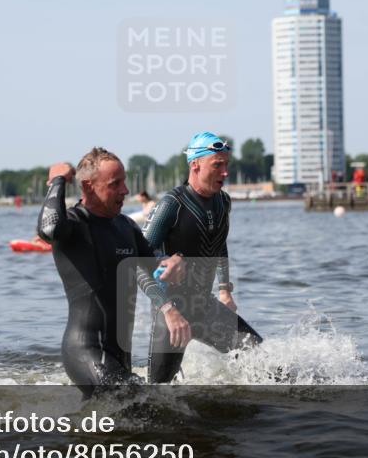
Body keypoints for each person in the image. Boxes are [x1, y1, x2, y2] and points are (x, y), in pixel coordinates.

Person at [36, 147, 188, 399]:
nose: (125, 191)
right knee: (143, 404)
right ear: (88, 187)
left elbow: (153, 269)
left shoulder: (126, 226)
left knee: (127, 420)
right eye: (115, 184)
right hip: (85, 351)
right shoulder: (73, 225)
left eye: (124, 182)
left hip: (120, 356)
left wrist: (174, 262)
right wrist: (58, 181)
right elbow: (49, 229)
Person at [139, 132, 263, 383]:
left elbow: (219, 244)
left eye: (227, 164)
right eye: (218, 165)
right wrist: (167, 306)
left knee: (260, 358)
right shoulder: (172, 204)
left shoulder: (223, 202)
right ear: (195, 164)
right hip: (171, 312)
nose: (225, 172)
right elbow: (138, 258)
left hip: (204, 306)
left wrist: (225, 289)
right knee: (157, 396)